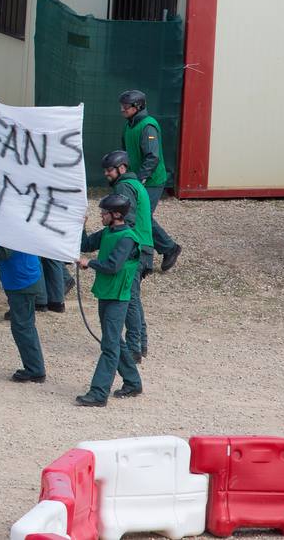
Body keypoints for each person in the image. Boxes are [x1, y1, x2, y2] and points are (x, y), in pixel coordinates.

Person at [74, 194, 144, 407]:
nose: (101, 216)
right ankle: (133, 382)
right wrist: (81, 226)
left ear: (116, 215)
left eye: (104, 213)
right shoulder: (107, 232)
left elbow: (113, 265)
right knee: (114, 340)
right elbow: (86, 244)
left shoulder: (127, 238)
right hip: (106, 293)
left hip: (118, 297)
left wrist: (91, 263)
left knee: (110, 345)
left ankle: (98, 393)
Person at [119, 89, 182, 270]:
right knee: (139, 215)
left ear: (137, 107)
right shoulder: (129, 125)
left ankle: (168, 248)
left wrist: (140, 179)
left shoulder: (148, 126)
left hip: (152, 181)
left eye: (126, 106)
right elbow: (125, 151)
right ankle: (167, 248)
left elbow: (152, 157)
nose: (122, 109)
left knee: (142, 216)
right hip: (137, 179)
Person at [103, 150, 155, 364]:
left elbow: (128, 220)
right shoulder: (135, 184)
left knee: (129, 299)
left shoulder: (124, 187)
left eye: (109, 170)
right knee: (133, 298)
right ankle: (140, 343)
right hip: (144, 246)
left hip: (137, 249)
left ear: (121, 168)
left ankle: (134, 348)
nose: (106, 174)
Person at [0, 243, 47, 383]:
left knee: (22, 327)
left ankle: (35, 370)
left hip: (22, 282)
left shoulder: (11, 222)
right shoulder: (15, 222)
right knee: (25, 326)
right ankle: (35, 368)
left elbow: (4, 251)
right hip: (25, 279)